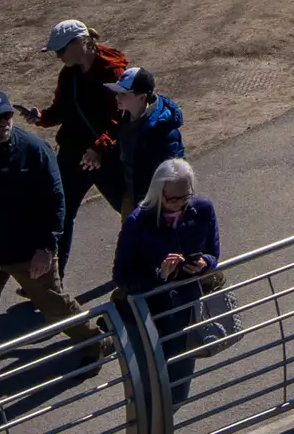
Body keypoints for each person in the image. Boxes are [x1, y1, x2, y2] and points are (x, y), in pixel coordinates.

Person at [111, 159, 220, 401]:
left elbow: (214, 254)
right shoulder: (137, 223)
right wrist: (160, 274)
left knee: (178, 389)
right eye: (173, 199)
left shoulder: (202, 209)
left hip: (185, 310)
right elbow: (121, 276)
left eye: (185, 197)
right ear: (158, 192)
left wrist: (203, 264)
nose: (179, 205)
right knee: (149, 389)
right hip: (147, 314)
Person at [0, 88, 83, 333]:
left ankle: (96, 344)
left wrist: (46, 247)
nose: (3, 124)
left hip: (29, 255)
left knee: (56, 310)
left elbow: (55, 200)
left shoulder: (33, 150)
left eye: (6, 116)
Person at [43, 21, 133, 259]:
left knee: (130, 210)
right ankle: (53, 280)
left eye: (61, 50)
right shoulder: (68, 74)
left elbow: (121, 116)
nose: (58, 55)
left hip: (108, 156)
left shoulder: (113, 72)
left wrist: (99, 147)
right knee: (60, 213)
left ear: (80, 43)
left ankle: (147, 261)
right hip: (74, 154)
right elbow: (62, 109)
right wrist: (41, 117)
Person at [106, 68, 184, 213]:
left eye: (123, 93)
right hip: (132, 197)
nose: (117, 97)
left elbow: (172, 175)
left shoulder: (164, 131)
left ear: (141, 98)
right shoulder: (123, 118)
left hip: (156, 204)